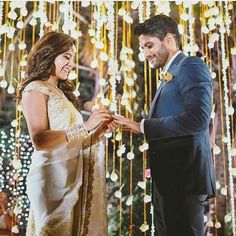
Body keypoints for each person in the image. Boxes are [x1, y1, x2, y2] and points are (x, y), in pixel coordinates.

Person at [113, 14, 216, 236]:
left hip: (184, 180)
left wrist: (142, 126)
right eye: (142, 48)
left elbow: (198, 119)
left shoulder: (190, 65)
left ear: (169, 39)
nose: (145, 54)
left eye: (149, 45)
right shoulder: (169, 74)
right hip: (168, 181)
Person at [19, 32, 117, 236]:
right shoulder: (34, 89)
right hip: (50, 177)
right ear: (49, 54)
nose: (71, 64)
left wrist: (98, 131)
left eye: (72, 58)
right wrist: (86, 126)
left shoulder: (62, 94)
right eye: (66, 56)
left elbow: (74, 142)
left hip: (70, 176)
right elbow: (39, 139)